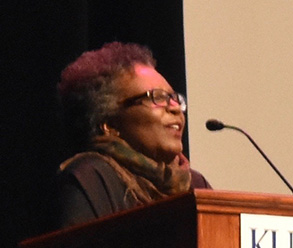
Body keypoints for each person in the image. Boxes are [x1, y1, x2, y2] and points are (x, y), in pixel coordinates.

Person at [52, 42, 210, 229]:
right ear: (110, 124)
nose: (175, 108)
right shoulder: (91, 179)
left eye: (174, 98)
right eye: (157, 97)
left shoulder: (196, 184)